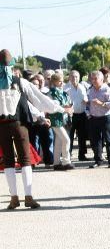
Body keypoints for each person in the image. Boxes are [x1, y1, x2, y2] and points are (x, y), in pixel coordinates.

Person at [0, 49, 70, 208]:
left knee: (9, 161)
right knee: (25, 159)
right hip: (20, 125)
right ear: (11, 66)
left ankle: (14, 198)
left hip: (2, 126)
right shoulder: (21, 82)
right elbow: (38, 100)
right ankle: (29, 196)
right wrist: (57, 109)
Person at [86, 70, 110, 168]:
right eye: (92, 79)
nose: (93, 81)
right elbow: (87, 104)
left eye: (95, 79)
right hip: (93, 117)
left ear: (101, 79)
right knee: (96, 140)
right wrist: (88, 114)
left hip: (105, 117)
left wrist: (102, 103)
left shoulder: (107, 90)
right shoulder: (90, 90)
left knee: (108, 139)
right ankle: (98, 160)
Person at [47, 73, 74, 170]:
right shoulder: (51, 93)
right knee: (66, 140)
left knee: (58, 142)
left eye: (62, 80)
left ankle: (56, 163)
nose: (62, 82)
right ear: (54, 82)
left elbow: (69, 104)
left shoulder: (64, 93)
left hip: (63, 119)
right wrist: (65, 109)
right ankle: (66, 162)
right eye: (59, 81)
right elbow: (53, 107)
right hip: (55, 120)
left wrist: (70, 110)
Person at [65, 70, 89, 161]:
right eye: (72, 76)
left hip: (82, 114)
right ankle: (68, 155)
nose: (74, 78)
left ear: (79, 78)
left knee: (82, 136)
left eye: (76, 77)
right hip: (71, 115)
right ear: (69, 77)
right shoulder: (66, 88)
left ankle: (82, 155)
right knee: (69, 136)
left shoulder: (82, 87)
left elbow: (85, 98)